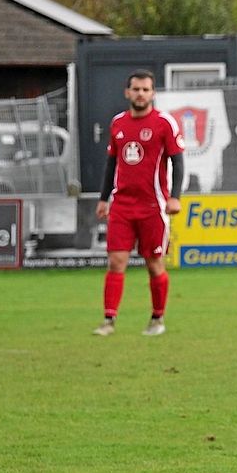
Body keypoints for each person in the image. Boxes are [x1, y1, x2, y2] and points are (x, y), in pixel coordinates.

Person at [93, 70, 185, 336]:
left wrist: (175, 196)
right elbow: (111, 162)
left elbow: (178, 161)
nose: (141, 94)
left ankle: (157, 318)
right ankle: (108, 321)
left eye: (146, 89)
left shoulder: (164, 123)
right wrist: (103, 198)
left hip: (153, 206)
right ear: (127, 92)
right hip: (121, 204)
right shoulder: (118, 123)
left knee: (154, 264)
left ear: (153, 93)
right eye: (136, 89)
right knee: (116, 261)